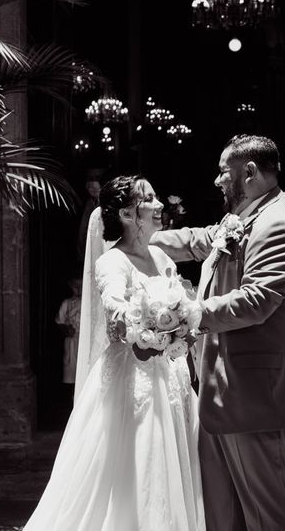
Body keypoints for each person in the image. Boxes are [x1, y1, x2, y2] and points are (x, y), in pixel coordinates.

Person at [153, 135, 285, 531]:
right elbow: (204, 241)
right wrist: (143, 238)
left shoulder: (280, 224)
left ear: (248, 172)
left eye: (223, 172)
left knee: (272, 516)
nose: (218, 181)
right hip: (226, 394)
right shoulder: (249, 213)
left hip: (257, 397)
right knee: (225, 515)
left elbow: (257, 300)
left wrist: (189, 314)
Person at [23, 175, 204, 531]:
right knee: (140, 465)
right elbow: (117, 317)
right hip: (134, 379)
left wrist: (184, 322)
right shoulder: (112, 262)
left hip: (171, 375)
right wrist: (148, 327)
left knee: (176, 460)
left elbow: (181, 300)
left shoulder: (161, 255)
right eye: (149, 199)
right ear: (127, 213)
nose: (159, 205)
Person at [54, 277, 82, 384]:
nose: (78, 290)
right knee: (71, 369)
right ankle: (71, 394)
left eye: (81, 286)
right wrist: (66, 329)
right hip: (72, 341)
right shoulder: (67, 303)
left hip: (84, 341)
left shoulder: (88, 304)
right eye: (75, 287)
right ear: (71, 286)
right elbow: (59, 321)